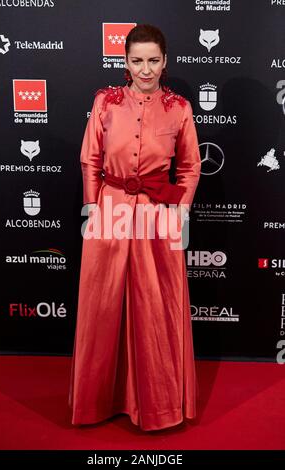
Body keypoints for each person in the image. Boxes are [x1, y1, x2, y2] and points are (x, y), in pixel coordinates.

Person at [69, 24, 201, 432]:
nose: (146, 69)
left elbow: (192, 166)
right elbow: (90, 159)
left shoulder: (179, 108)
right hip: (109, 210)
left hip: (158, 214)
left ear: (165, 61)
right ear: (125, 62)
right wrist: (92, 206)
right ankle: (97, 403)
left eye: (153, 60)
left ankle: (158, 405)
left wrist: (180, 209)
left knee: (156, 308)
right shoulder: (106, 103)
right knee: (102, 306)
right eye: (137, 60)